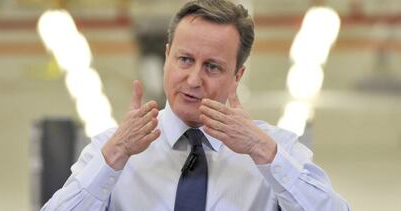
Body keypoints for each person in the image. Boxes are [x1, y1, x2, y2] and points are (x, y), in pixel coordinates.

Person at [42, 0, 350, 210]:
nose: (193, 79)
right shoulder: (110, 149)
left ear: (236, 76)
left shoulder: (275, 149)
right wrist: (114, 155)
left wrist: (264, 152)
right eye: (185, 60)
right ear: (167, 58)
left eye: (212, 66)